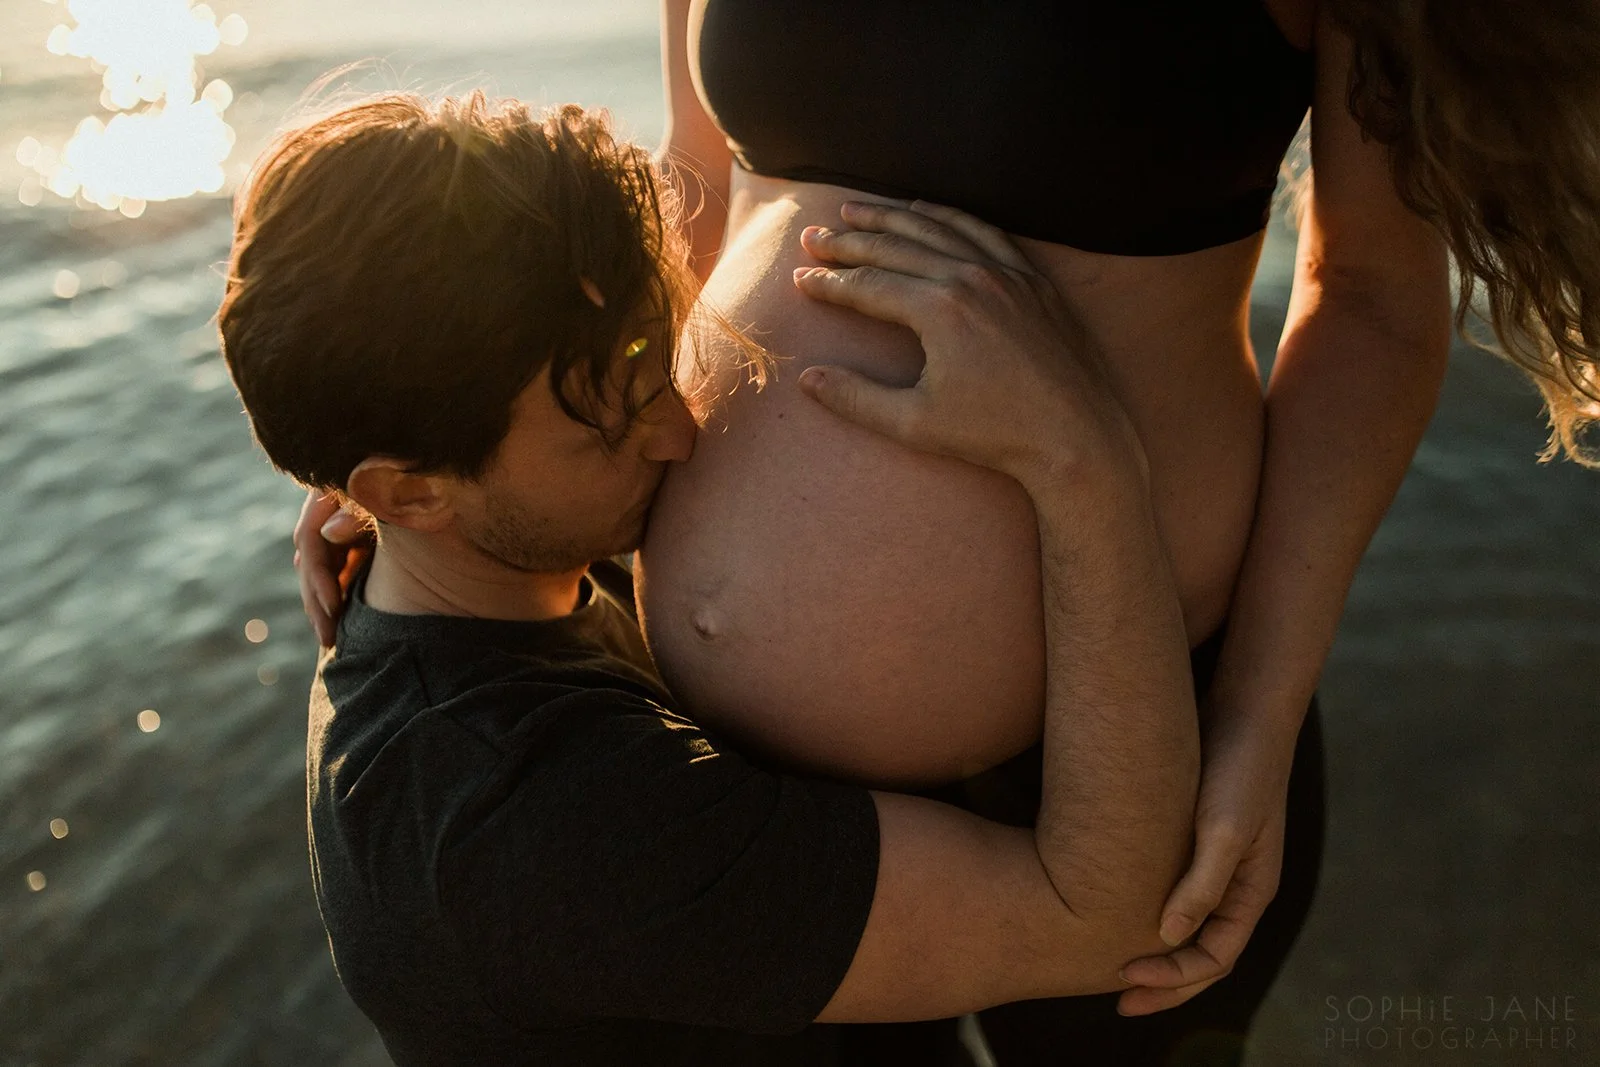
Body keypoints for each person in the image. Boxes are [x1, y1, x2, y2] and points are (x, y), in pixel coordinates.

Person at [224, 93, 1205, 1067]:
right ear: (409, 489)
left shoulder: (434, 579)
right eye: (610, 422)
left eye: (658, 362)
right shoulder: (547, 821)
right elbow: (1099, 919)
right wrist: (1082, 459)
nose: (680, 432)